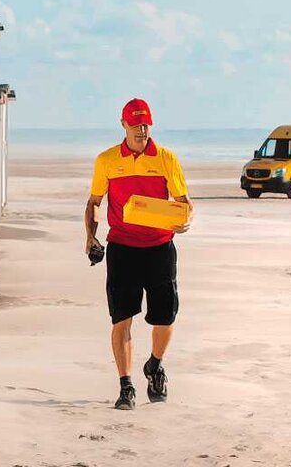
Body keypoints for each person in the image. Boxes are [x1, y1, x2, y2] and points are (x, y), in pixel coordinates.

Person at [84, 98, 192, 410]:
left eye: (145, 124)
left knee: (165, 318)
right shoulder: (106, 160)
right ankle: (125, 386)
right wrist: (90, 237)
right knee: (122, 319)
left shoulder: (166, 159)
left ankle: (155, 365)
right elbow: (94, 202)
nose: (141, 129)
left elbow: (184, 201)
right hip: (122, 249)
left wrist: (184, 219)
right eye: (135, 124)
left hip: (160, 248)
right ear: (124, 125)